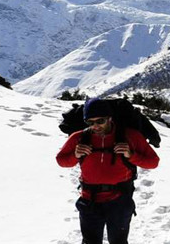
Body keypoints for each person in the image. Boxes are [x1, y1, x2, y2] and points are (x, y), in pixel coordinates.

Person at [56, 98, 160, 244]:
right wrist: (75, 155)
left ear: (110, 118)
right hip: (89, 200)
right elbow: (61, 160)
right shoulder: (79, 137)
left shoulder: (130, 136)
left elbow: (153, 162)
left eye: (100, 121)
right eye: (90, 122)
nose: (95, 126)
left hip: (119, 200)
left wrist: (132, 155)